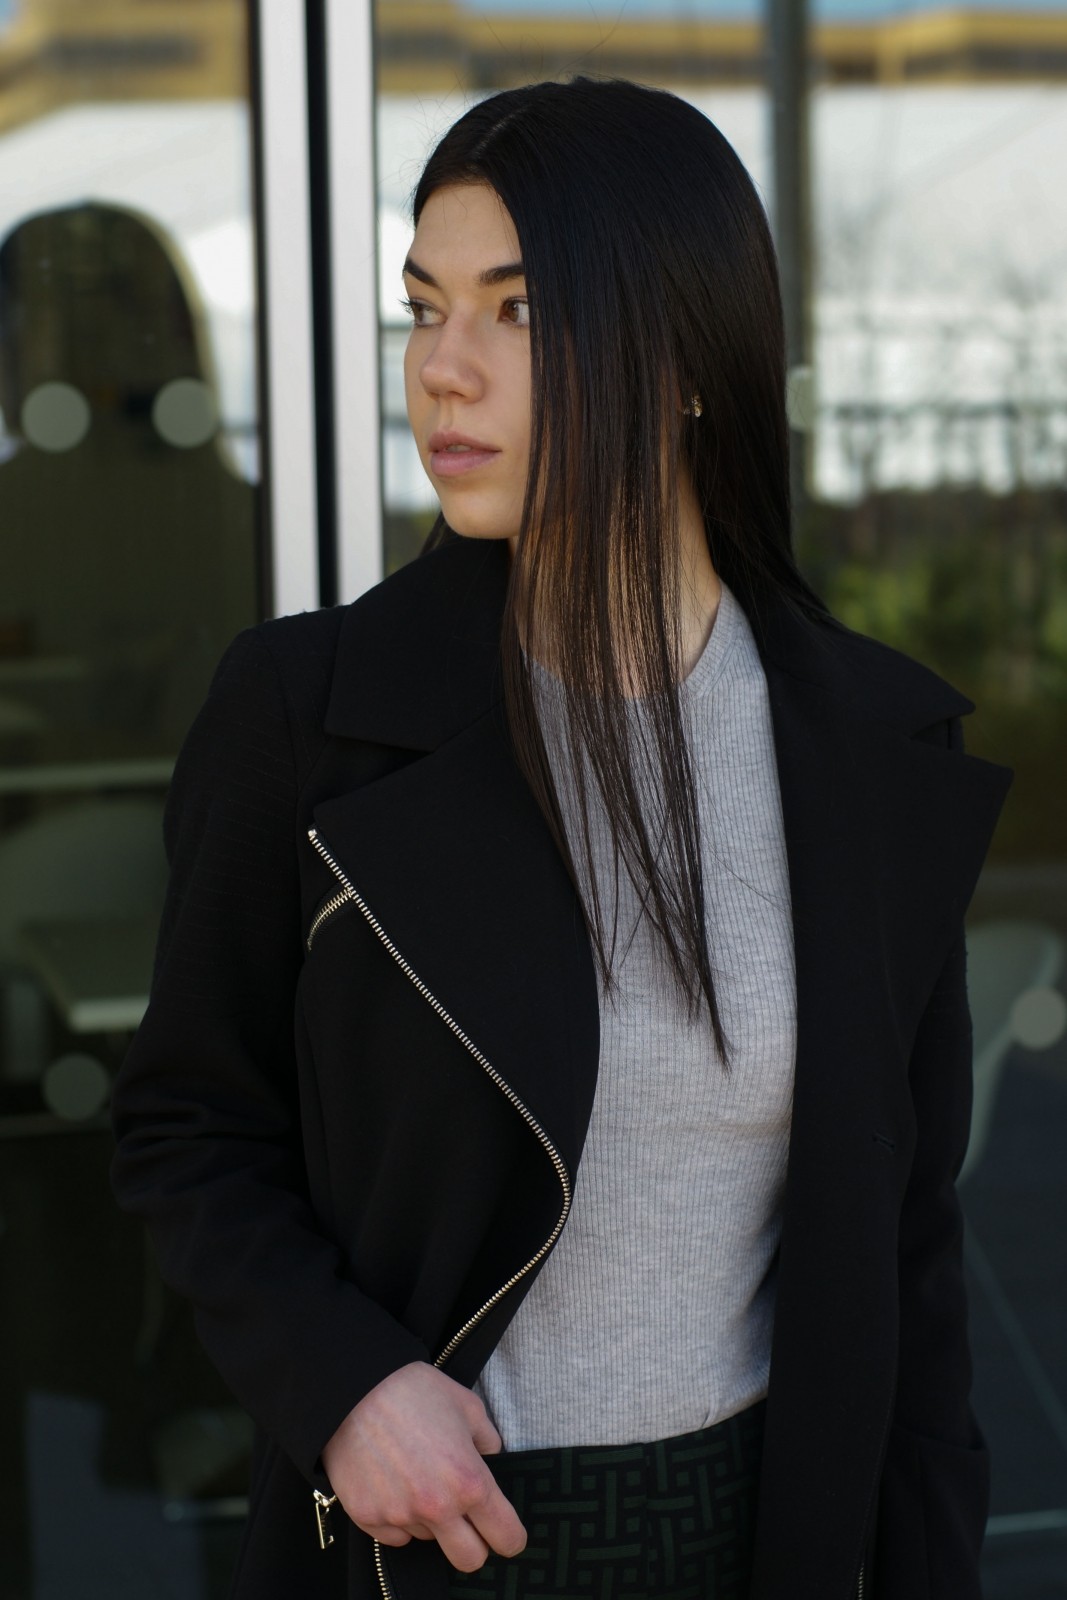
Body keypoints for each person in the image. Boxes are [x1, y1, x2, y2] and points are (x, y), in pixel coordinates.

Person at [110, 77, 1014, 1600]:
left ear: (684, 361)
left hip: (761, 1537)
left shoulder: (866, 752)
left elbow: (905, 1254)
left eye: (518, 313)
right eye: (424, 308)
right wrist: (342, 1385)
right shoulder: (307, 716)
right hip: (431, 1544)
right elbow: (190, 1127)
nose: (443, 373)